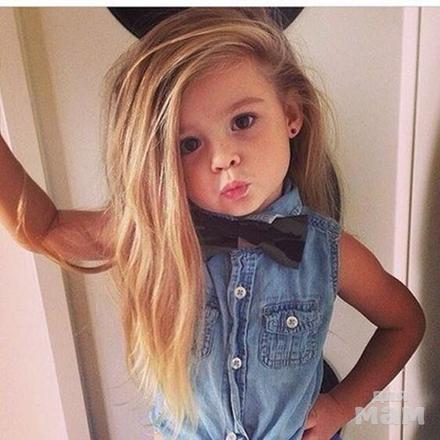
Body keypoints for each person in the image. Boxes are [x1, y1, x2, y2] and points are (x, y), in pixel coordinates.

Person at [0, 7, 426, 440]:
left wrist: (340, 405)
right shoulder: (155, 237)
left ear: (291, 114)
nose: (222, 158)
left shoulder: (327, 251)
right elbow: (43, 228)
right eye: (188, 144)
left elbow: (405, 322)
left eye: (243, 121)